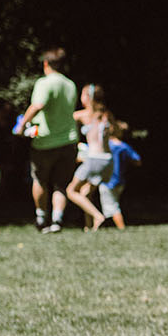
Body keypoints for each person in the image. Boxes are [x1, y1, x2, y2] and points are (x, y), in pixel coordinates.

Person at [17, 47, 80, 233]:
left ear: (45, 63)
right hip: (69, 141)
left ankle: (41, 218)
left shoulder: (44, 83)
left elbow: (38, 105)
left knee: (40, 180)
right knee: (61, 184)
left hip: (44, 142)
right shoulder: (70, 84)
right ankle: (57, 221)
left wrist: (22, 125)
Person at [67, 84, 113, 229]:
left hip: (94, 159)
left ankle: (98, 216)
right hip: (108, 160)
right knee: (85, 193)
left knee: (71, 191)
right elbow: (117, 131)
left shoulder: (84, 115)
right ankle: (89, 228)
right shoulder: (106, 114)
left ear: (87, 97)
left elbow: (67, 119)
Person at [98, 121, 141, 229]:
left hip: (107, 181)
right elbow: (137, 161)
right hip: (120, 180)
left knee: (112, 207)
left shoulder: (105, 145)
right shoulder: (124, 147)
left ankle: (121, 228)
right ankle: (95, 227)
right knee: (112, 204)